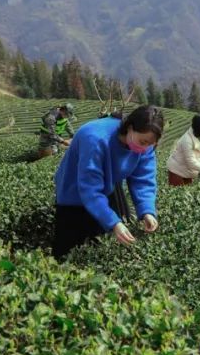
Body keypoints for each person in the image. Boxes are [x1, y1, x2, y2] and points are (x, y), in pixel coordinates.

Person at [52, 105, 164, 260]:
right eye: (143, 141)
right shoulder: (95, 138)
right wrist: (114, 223)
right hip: (73, 193)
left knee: (98, 248)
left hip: (103, 191)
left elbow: (143, 179)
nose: (145, 148)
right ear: (130, 128)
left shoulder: (146, 144)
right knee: (68, 253)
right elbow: (90, 189)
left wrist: (147, 210)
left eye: (150, 144)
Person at [167, 114, 200, 186]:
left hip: (187, 170)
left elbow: (198, 155)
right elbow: (190, 161)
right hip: (177, 170)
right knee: (177, 193)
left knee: (187, 192)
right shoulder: (187, 140)